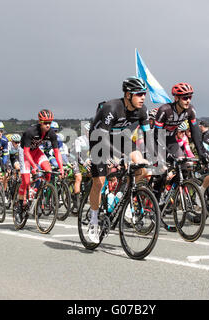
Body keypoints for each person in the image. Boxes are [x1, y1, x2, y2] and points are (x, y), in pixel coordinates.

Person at [87, 76, 151, 243]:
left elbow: (149, 137)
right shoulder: (112, 108)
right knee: (99, 182)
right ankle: (93, 220)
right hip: (99, 139)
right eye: (139, 94)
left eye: (144, 94)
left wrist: (158, 157)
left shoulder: (142, 110)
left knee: (142, 166)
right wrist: (119, 156)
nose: (143, 97)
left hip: (121, 138)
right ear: (128, 95)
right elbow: (102, 138)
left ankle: (127, 201)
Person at [16, 109, 64, 222]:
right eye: (45, 123)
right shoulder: (30, 132)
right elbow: (27, 152)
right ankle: (19, 208)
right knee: (26, 181)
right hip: (25, 153)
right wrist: (34, 166)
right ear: (40, 122)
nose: (48, 125)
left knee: (48, 171)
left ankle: (37, 191)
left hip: (36, 151)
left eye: (50, 123)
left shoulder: (51, 133)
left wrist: (61, 168)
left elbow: (57, 152)